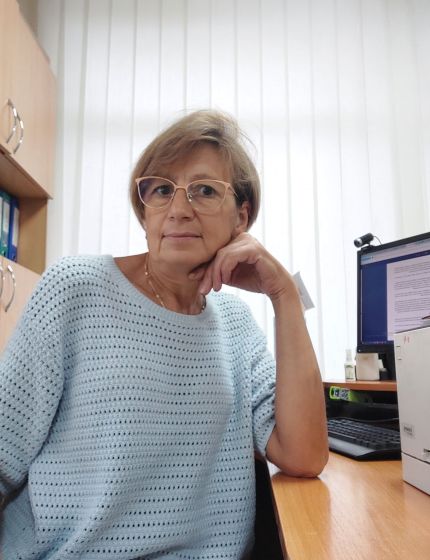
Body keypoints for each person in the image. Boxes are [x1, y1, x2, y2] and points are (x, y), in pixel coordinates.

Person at [0, 110, 328, 559]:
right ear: (145, 210)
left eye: (205, 190)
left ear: (242, 216)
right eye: (160, 190)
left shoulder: (235, 324)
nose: (178, 209)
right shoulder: (75, 289)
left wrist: (284, 294)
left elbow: (304, 456)